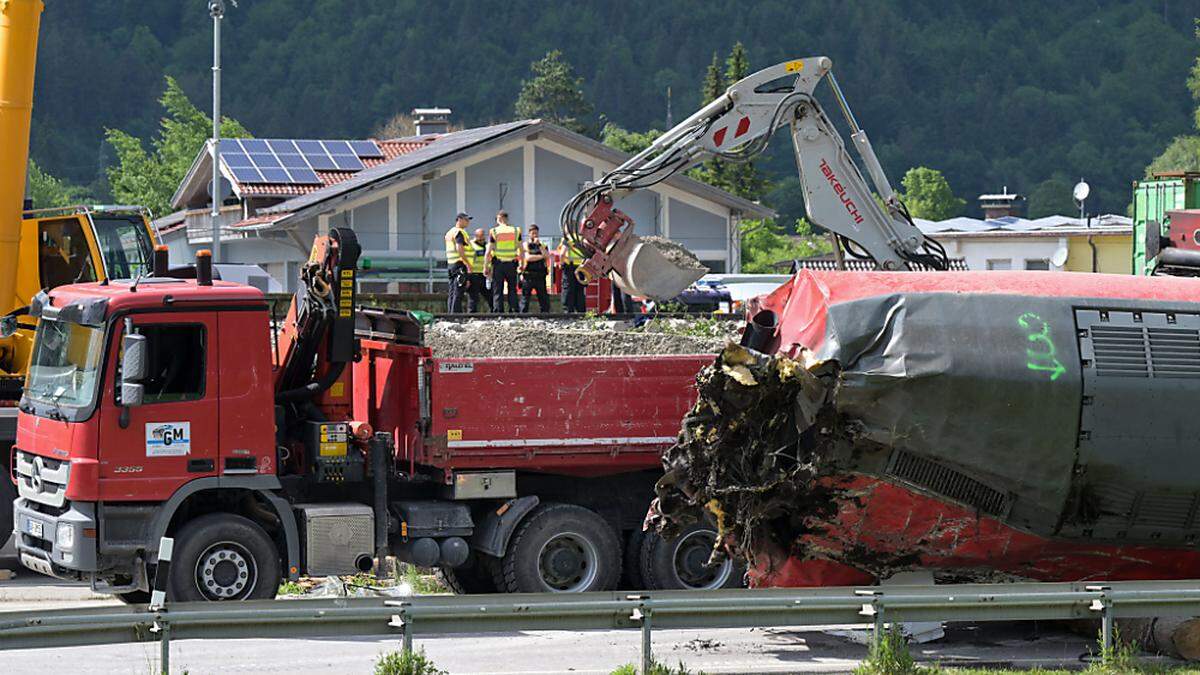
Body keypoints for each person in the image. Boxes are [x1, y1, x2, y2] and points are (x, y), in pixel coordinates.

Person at [485, 210, 522, 313]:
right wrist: (522, 264)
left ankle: (498, 310)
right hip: (512, 264)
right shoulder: (516, 230)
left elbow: (488, 251)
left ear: (499, 218)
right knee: (512, 288)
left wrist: (486, 266)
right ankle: (514, 309)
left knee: (498, 288)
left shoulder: (494, 231)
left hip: (499, 264)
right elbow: (521, 249)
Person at [444, 212, 473, 313]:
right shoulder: (459, 232)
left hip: (451, 264)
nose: (468, 222)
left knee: (452, 291)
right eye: (466, 220)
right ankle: (456, 315)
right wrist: (467, 263)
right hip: (459, 264)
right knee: (458, 291)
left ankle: (451, 314)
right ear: (459, 220)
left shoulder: (449, 232)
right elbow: (459, 248)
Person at [519, 225, 551, 313]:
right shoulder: (525, 245)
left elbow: (547, 256)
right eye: (533, 233)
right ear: (529, 234)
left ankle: (545, 314)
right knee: (525, 297)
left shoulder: (542, 245)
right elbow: (528, 257)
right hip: (528, 275)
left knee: (543, 298)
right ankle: (523, 315)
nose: (535, 235)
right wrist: (541, 256)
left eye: (536, 233)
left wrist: (539, 245)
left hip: (540, 275)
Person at [556, 236, 587, 313]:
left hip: (569, 267)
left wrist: (561, 263)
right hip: (581, 267)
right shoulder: (582, 238)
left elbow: (562, 254)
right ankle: (581, 313)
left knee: (568, 290)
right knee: (580, 291)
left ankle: (568, 313)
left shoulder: (567, 238)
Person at [466, 228, 492, 312]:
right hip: (474, 275)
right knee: (473, 297)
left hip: (484, 275)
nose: (482, 239)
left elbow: (490, 259)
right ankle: (471, 315)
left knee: (489, 296)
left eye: (483, 237)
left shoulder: (487, 245)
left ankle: (494, 313)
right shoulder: (471, 245)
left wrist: (490, 270)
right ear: (476, 236)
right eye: (480, 237)